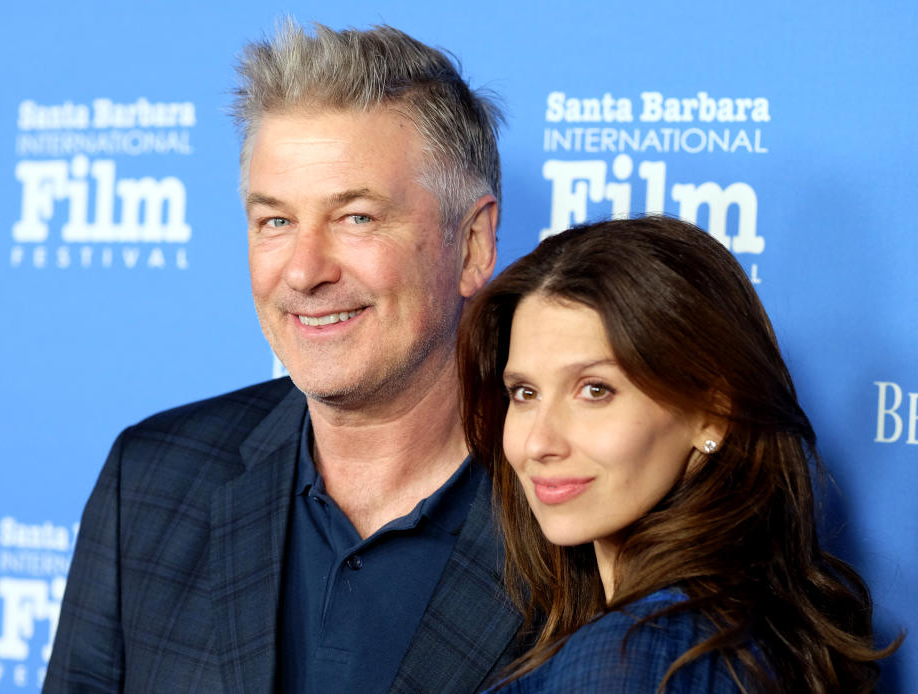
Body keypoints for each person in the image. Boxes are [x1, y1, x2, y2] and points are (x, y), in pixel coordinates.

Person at [44, 20, 527, 694]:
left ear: (472, 244)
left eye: (356, 217)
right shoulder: (152, 481)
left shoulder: (575, 515)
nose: (304, 272)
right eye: (275, 221)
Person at [457, 216, 901, 693]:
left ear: (711, 415)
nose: (539, 443)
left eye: (595, 390)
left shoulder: (637, 655)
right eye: (524, 393)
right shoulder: (733, 628)